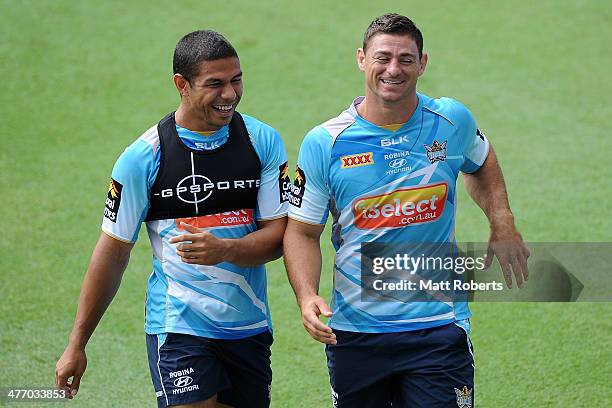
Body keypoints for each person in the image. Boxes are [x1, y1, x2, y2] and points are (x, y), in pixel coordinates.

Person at [283, 13, 529, 407]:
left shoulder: (451, 121)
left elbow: (480, 160)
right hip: (356, 333)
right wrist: (306, 295)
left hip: (437, 328)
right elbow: (301, 232)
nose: (393, 69)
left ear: (423, 63)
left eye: (405, 59)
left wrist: (502, 222)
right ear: (362, 59)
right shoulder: (325, 143)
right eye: (383, 57)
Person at [55, 30, 289, 408]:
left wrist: (225, 249)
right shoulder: (143, 157)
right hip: (178, 326)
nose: (230, 94)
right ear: (181, 84)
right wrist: (76, 344)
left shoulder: (262, 141)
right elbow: (113, 252)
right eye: (215, 84)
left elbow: (278, 238)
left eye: (236, 80)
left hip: (248, 326)